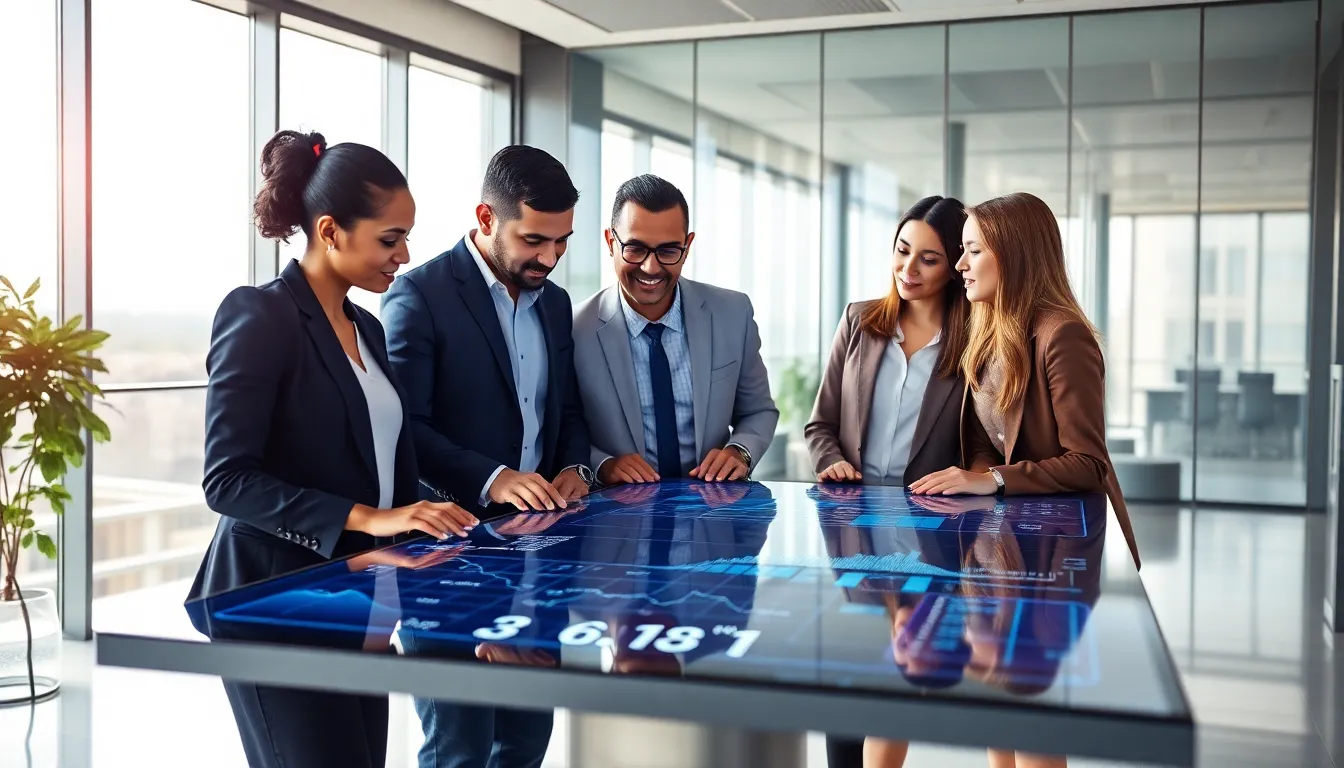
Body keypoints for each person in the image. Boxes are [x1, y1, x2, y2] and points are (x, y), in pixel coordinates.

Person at [190, 129, 478, 768]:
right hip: (275, 602)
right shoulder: (258, 315)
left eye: (406, 237)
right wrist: (372, 518)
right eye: (390, 239)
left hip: (357, 594)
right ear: (330, 231)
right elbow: (227, 480)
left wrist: (418, 538)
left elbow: (380, 460)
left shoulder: (366, 327)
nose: (404, 255)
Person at [908, 191, 1139, 768]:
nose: (959, 264)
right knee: (997, 699)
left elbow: (1089, 463)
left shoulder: (1063, 335)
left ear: (1011, 255)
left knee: (1029, 702)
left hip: (1053, 554)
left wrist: (991, 481)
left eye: (972, 251)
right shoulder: (989, 328)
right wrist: (977, 476)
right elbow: (988, 438)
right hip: (1006, 547)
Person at [380, 144, 592, 768]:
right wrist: (494, 479)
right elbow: (405, 429)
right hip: (447, 557)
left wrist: (575, 468)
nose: (549, 257)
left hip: (540, 553)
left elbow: (568, 410)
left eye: (562, 241)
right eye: (534, 240)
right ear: (485, 218)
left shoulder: (555, 303)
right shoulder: (419, 294)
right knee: (460, 748)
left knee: (526, 740)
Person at [804, 195, 970, 768]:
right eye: (903, 251)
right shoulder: (860, 320)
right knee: (847, 685)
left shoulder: (974, 341)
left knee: (903, 675)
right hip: (854, 530)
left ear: (955, 266)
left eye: (929, 258)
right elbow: (820, 424)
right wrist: (830, 461)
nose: (909, 269)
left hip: (933, 537)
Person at [572, 174, 779, 486]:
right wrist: (602, 466)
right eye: (635, 248)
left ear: (688, 245)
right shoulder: (575, 329)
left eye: (668, 251)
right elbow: (563, 428)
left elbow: (759, 411)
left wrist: (740, 451)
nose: (650, 267)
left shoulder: (733, 313)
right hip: (621, 508)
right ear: (610, 242)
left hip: (714, 504)